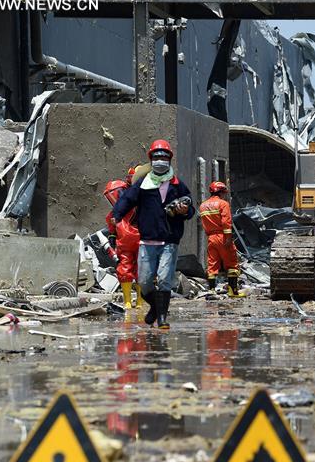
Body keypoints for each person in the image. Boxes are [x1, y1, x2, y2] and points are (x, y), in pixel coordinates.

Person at [112, 139, 195, 329]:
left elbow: (191, 210)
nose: (160, 160)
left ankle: (163, 318)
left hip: (169, 240)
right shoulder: (143, 184)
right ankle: (155, 309)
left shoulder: (178, 185)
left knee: (165, 279)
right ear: (151, 159)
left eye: (164, 157)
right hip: (147, 240)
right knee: (144, 281)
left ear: (169, 160)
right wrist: (117, 215)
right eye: (157, 157)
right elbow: (127, 200)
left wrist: (185, 211)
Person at [199, 180, 244, 297]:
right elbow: (226, 222)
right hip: (222, 236)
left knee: (212, 264)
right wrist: (228, 238)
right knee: (232, 263)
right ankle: (233, 291)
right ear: (221, 192)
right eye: (224, 192)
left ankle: (211, 290)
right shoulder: (223, 204)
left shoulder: (203, 205)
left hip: (211, 238)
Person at [103, 171, 140, 309]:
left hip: (135, 241)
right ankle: (129, 301)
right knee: (127, 270)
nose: (114, 198)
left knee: (139, 270)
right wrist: (112, 237)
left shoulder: (135, 204)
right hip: (127, 243)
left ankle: (136, 301)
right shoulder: (114, 214)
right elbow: (112, 229)